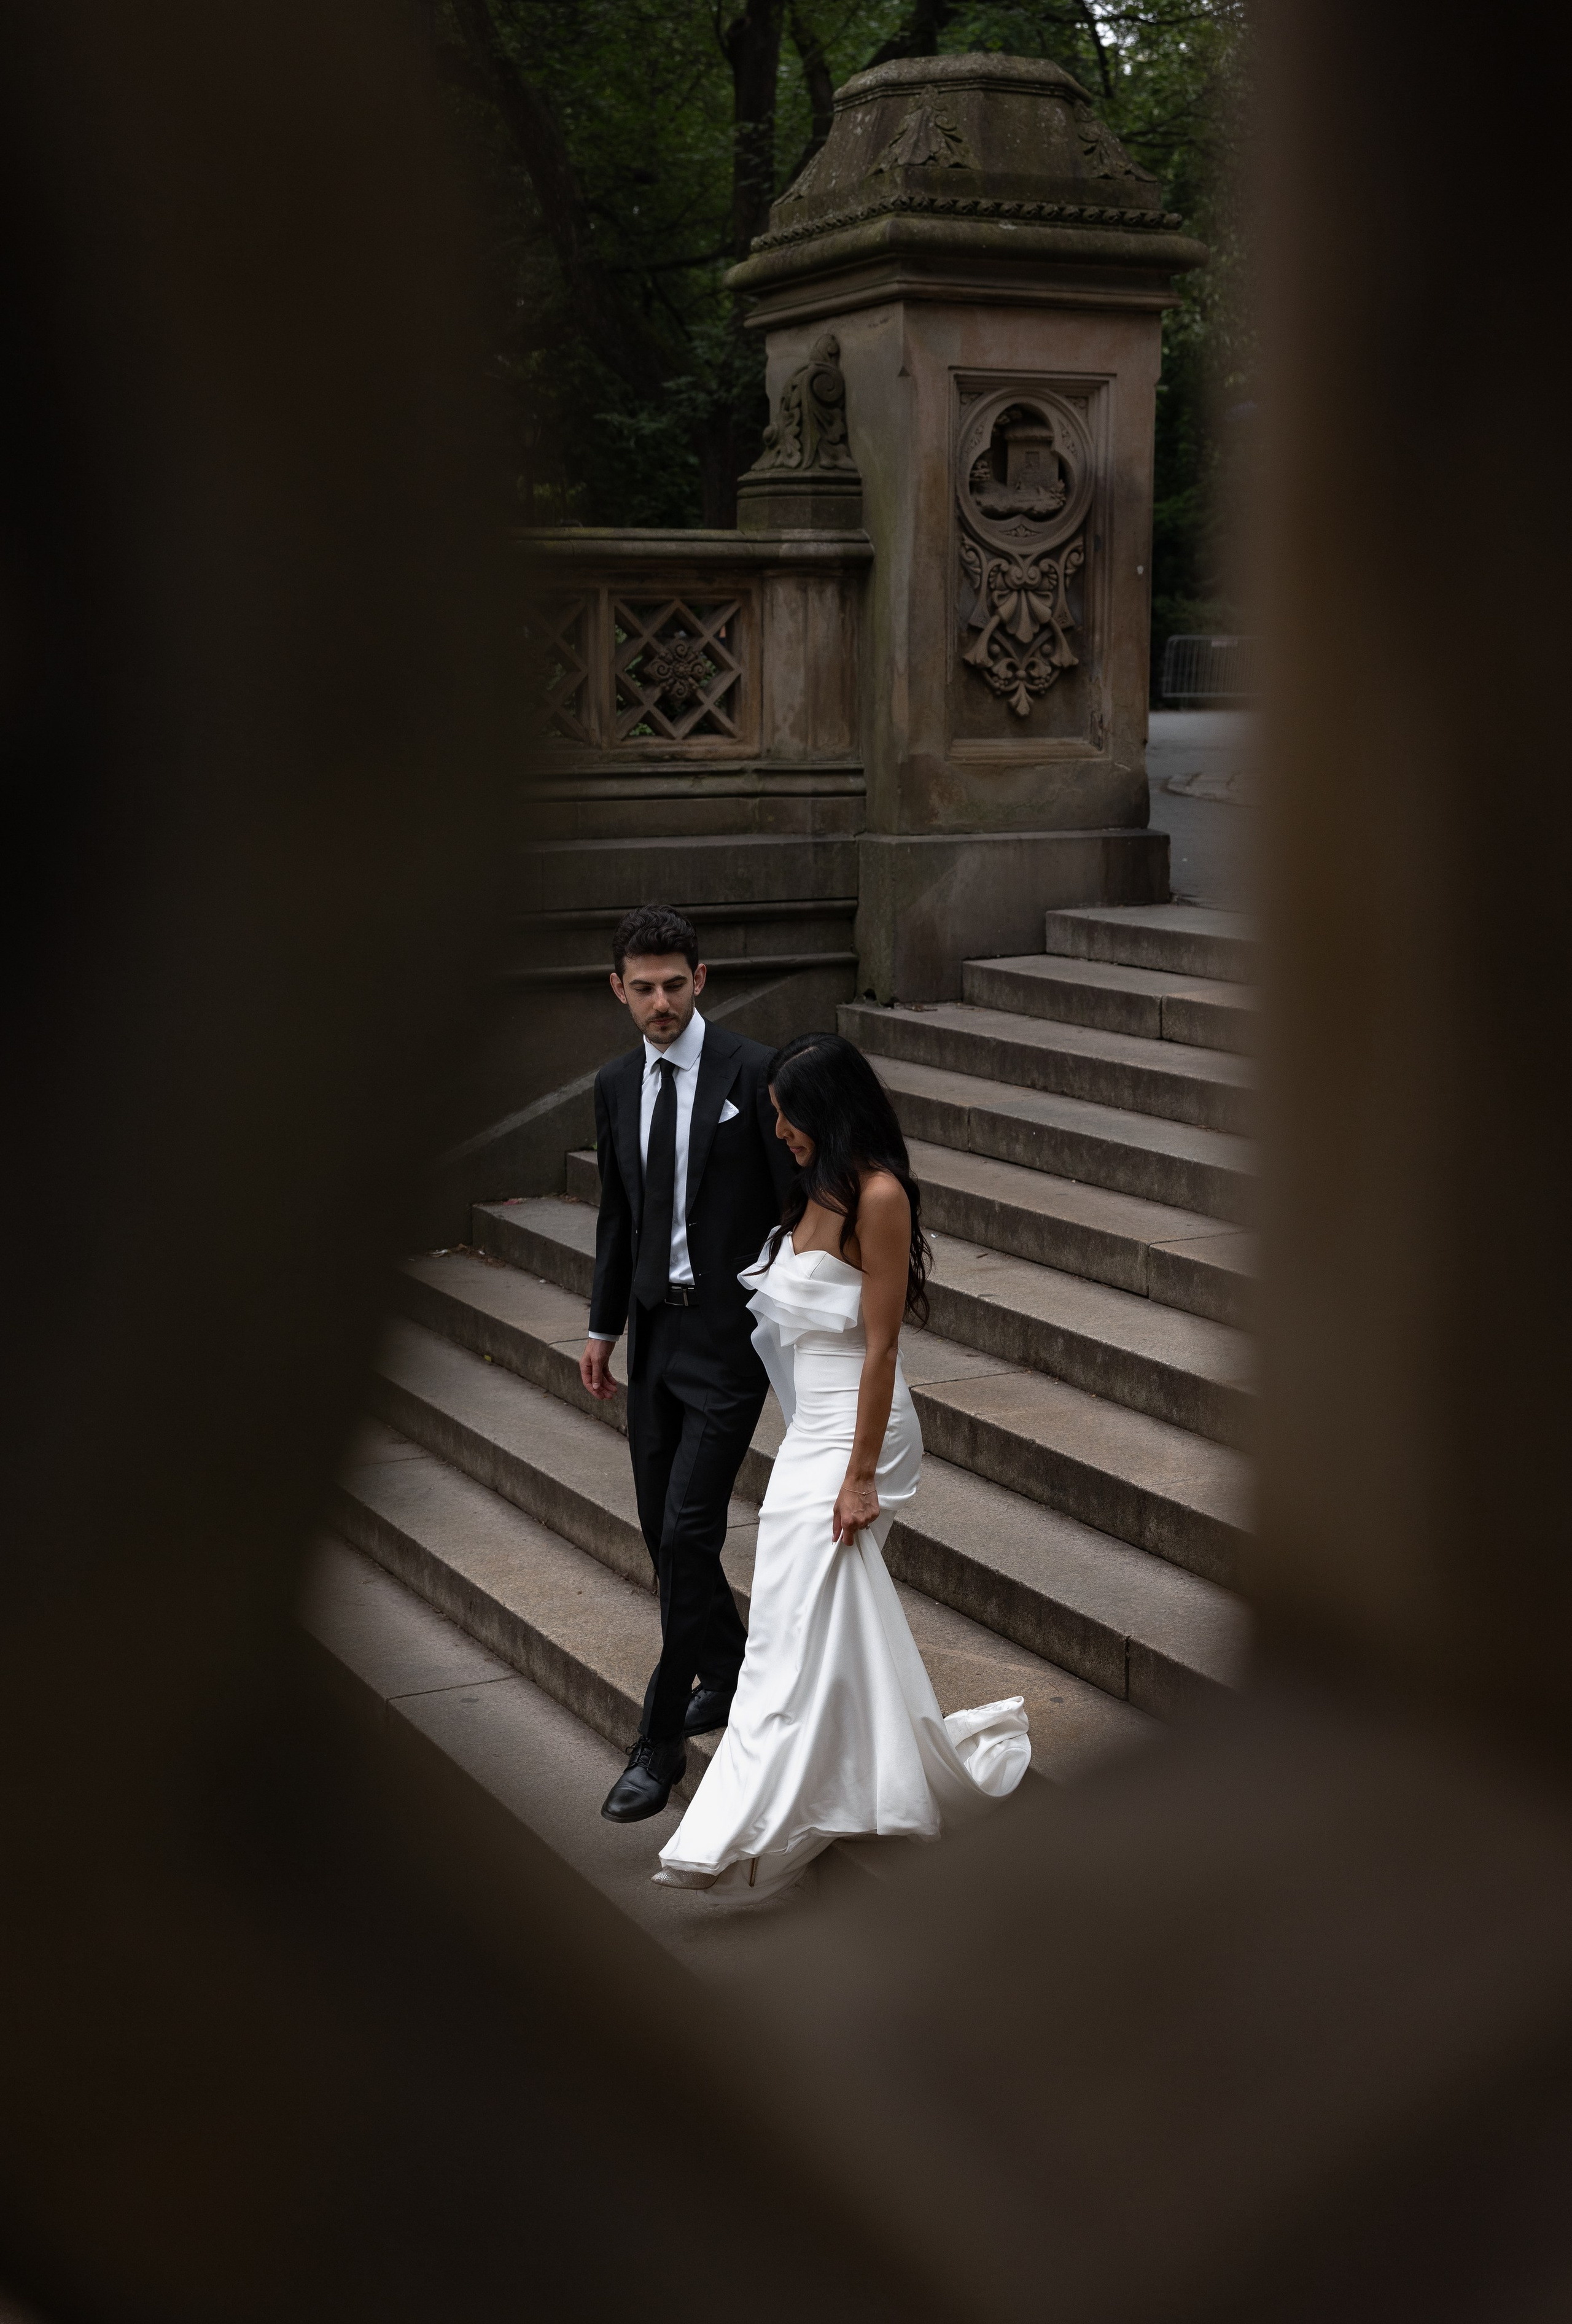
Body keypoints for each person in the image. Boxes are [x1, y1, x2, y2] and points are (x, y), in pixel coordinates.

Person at [654, 1033, 1032, 1898]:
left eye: (787, 1113)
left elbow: (882, 1346)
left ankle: (743, 1822)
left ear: (826, 1109)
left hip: (863, 1430)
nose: (779, 1129)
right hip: (810, 1431)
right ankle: (855, 1778)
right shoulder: (811, 1190)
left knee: (802, 1609)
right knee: (797, 1614)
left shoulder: (879, 1196)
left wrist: (860, 1475)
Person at [582, 904, 795, 1822]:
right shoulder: (613, 1083)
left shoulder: (755, 1072)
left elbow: (795, 1207)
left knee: (685, 1533)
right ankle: (731, 1667)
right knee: (654, 1526)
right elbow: (618, 1215)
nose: (661, 1002)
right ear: (618, 990)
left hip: (727, 1342)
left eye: (676, 984)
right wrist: (602, 1326)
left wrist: (787, 1322)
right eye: (644, 988)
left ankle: (659, 1741)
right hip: (652, 1334)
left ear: (701, 980)